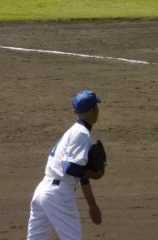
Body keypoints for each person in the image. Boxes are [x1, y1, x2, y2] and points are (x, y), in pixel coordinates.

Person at [27, 90, 105, 239]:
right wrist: (94, 174)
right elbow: (71, 168)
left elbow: (81, 176)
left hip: (42, 191)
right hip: (58, 195)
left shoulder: (72, 132)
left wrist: (92, 203)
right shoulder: (82, 134)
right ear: (93, 110)